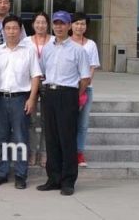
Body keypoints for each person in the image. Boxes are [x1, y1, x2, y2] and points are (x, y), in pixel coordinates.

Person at [36, 11, 90, 196]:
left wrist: (74, 96)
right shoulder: (48, 49)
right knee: (51, 138)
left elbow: (85, 79)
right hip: (49, 94)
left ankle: (68, 181)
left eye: (62, 23)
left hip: (68, 95)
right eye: (56, 23)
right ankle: (53, 178)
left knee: (67, 139)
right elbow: (42, 71)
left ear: (69, 26)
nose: (59, 27)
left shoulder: (78, 50)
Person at [0, 15, 42, 190]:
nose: (11, 32)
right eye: (8, 28)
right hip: (0, 99)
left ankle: (21, 175)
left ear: (20, 31)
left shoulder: (28, 51)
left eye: (15, 28)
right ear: (3, 31)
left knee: (21, 138)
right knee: (1, 138)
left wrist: (32, 98)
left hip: (21, 99)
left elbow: (36, 76)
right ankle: (1, 173)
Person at [70, 12, 101, 168]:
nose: (79, 26)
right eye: (76, 23)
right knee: (68, 123)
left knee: (82, 123)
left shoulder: (91, 45)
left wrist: (83, 88)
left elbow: (92, 68)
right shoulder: (65, 43)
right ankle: (67, 152)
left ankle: (79, 153)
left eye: (82, 24)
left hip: (85, 89)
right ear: (71, 25)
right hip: (67, 90)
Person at [24, 12, 54, 167]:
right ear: (33, 24)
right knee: (31, 120)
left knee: (46, 121)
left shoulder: (54, 41)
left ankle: (44, 152)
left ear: (48, 24)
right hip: (32, 84)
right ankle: (32, 152)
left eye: (43, 22)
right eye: (38, 22)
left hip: (50, 83)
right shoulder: (26, 41)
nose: (40, 25)